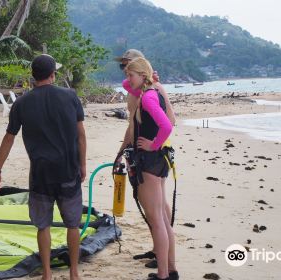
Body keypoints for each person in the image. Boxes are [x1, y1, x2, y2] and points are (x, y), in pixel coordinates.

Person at [0, 54, 86, 280]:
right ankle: (74, 273)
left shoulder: (22, 103)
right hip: (68, 171)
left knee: (43, 226)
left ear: (33, 77)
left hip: (40, 174)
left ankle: (47, 274)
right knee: (73, 224)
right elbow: (81, 136)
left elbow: (9, 138)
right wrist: (82, 165)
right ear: (53, 74)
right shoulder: (70, 96)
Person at [115, 49, 178, 277]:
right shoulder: (145, 90)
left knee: (158, 219)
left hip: (151, 159)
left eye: (130, 70)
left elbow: (169, 123)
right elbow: (126, 85)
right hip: (155, 158)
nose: (126, 74)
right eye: (125, 68)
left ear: (141, 72)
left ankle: (165, 272)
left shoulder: (151, 94)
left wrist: (153, 144)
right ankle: (169, 267)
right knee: (160, 217)